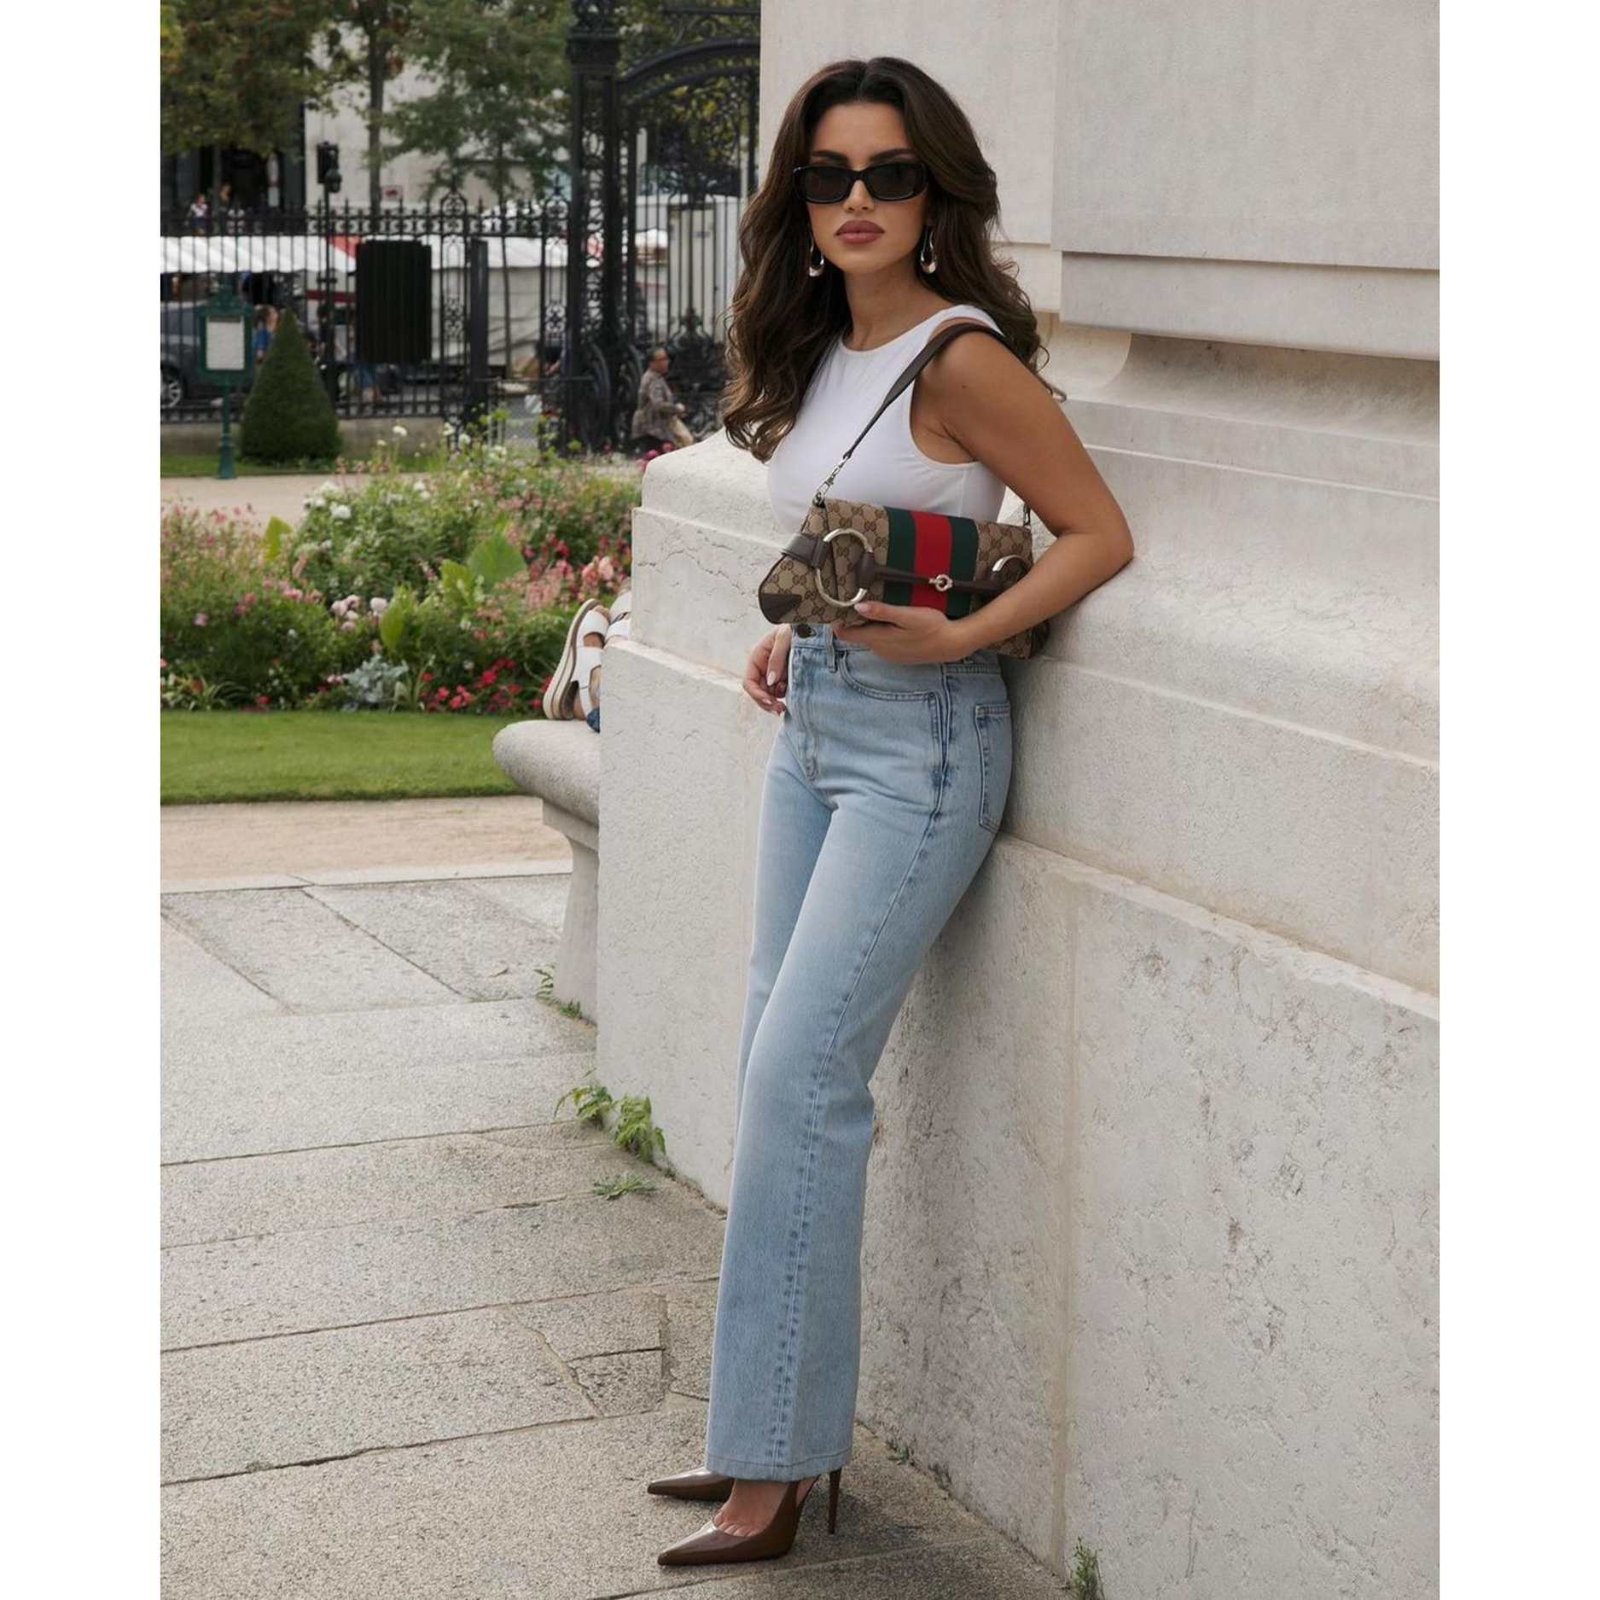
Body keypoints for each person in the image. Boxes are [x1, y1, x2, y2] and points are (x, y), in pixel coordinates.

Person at [647, 58, 1136, 1568]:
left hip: (921, 752)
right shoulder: (830, 346)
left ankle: (778, 1469)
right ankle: (761, 1431)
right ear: (797, 200)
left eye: (890, 174)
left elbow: (1098, 532)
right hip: (819, 725)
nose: (857, 200)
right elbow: (858, 528)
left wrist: (963, 638)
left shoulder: (958, 355)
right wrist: (801, 631)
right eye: (829, 176)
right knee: (769, 1068)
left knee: (804, 1076)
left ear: (938, 194)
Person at [631, 347, 695, 449]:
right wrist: (676, 408)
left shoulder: (655, 377)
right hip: (653, 430)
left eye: (666, 359)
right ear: (652, 363)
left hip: (655, 428)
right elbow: (658, 405)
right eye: (663, 359)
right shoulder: (653, 380)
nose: (667, 362)